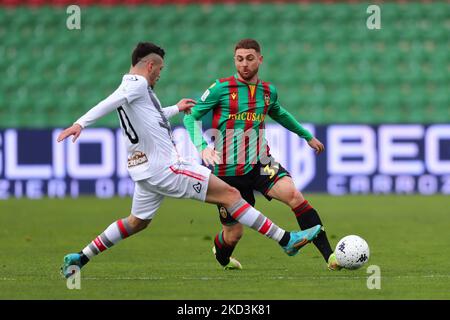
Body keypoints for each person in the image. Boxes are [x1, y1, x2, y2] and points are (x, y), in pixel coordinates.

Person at [58, 42, 322, 278]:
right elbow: (108, 102)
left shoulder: (131, 87)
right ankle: (285, 239)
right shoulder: (137, 84)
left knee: (136, 222)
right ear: (150, 65)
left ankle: (81, 257)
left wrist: (175, 108)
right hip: (166, 167)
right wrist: (80, 123)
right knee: (230, 194)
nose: (159, 75)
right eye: (159, 69)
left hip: (142, 171)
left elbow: (151, 116)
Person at [183, 38, 341, 271]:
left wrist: (306, 135)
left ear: (260, 59)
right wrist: (202, 147)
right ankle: (222, 255)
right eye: (239, 59)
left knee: (294, 195)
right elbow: (190, 116)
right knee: (233, 234)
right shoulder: (220, 88)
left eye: (249, 58)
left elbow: (279, 113)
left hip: (260, 161)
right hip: (227, 170)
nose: (244, 64)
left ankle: (330, 257)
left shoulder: (268, 91)